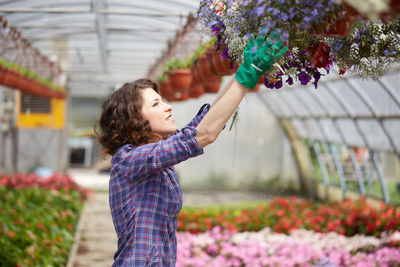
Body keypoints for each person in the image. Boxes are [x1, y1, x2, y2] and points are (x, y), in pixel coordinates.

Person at [96, 28, 287, 266]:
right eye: (156, 104)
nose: (168, 107)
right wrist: (249, 74)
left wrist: (242, 70)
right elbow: (203, 135)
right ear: (134, 119)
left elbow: (202, 125)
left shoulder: (157, 161)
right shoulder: (129, 160)